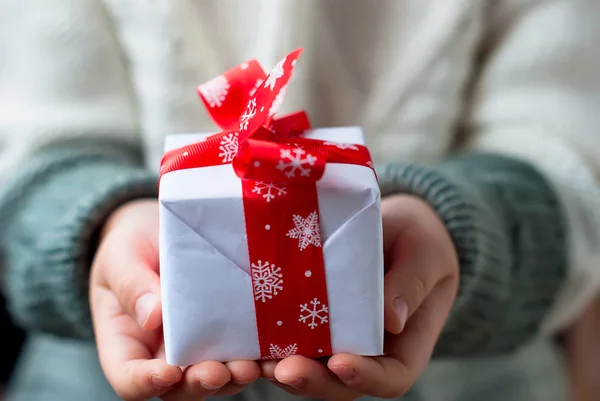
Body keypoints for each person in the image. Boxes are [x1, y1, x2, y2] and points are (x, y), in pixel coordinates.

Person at [1, 0, 600, 400]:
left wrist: (462, 235)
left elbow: (569, 161)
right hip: (85, 379)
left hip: (477, 380)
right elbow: (31, 164)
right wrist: (103, 228)